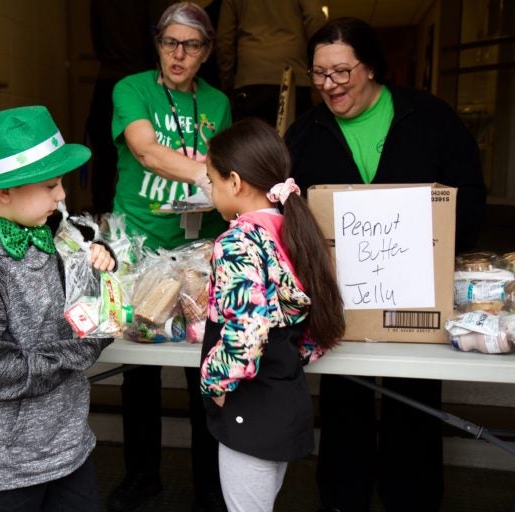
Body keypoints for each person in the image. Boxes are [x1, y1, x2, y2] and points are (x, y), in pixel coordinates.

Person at [284, 17, 487, 512]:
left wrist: (443, 261)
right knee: (342, 404)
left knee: (413, 407)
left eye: (341, 73)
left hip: (417, 298)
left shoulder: (428, 116)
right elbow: (284, 211)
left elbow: (471, 197)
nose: (329, 86)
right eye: (318, 74)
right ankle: (342, 500)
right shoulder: (306, 134)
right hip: (338, 300)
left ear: (371, 67)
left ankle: (412, 502)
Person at [0, 105, 117, 512]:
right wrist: (83, 350)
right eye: (51, 185)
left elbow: (75, 301)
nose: (63, 195)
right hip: (6, 458)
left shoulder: (47, 236)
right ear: (6, 190)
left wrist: (99, 266)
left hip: (67, 440)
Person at [107, 3, 232, 511]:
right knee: (139, 367)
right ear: (157, 43)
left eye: (192, 45)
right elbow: (145, 150)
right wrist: (206, 175)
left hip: (200, 248)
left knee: (204, 364)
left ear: (207, 52)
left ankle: (208, 483)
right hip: (140, 245)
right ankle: (142, 475)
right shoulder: (131, 89)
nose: (179, 54)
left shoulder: (219, 103)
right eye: (169, 42)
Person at [199, 118, 345, 512]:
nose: (210, 191)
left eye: (211, 181)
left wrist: (213, 382)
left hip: (250, 406)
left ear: (234, 181)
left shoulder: (238, 241)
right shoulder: (293, 230)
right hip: (285, 399)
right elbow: (319, 318)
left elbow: (247, 328)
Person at [85, 0, 173, 214]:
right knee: (144, 153)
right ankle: (132, 214)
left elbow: (96, 39)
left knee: (104, 155)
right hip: (141, 77)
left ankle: (102, 215)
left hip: (108, 76)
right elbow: (158, 34)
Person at [216, 0, 326, 125]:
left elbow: (224, 40)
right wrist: (319, 66)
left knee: (253, 141)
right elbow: (314, 17)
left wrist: (227, 84)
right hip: (294, 73)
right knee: (296, 139)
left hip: (251, 75)